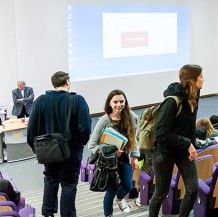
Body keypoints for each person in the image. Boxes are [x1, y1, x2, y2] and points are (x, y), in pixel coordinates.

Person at [26, 71, 91, 217]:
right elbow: (85, 127)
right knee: (68, 185)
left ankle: (48, 213)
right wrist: (81, 143)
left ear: (53, 84)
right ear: (67, 83)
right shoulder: (77, 100)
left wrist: (36, 148)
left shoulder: (40, 101)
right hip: (71, 151)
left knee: (50, 178)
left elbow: (31, 130)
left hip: (47, 151)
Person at [148, 64, 204, 217]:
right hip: (164, 152)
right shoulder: (171, 102)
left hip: (183, 151)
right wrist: (187, 143)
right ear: (192, 81)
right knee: (161, 192)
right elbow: (162, 134)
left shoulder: (195, 95)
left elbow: (189, 125)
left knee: (193, 189)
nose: (203, 79)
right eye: (200, 77)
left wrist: (191, 143)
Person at [88, 89, 139, 217]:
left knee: (127, 185)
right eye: (115, 102)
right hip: (108, 161)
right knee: (111, 190)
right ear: (109, 103)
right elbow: (92, 145)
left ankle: (120, 198)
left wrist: (135, 157)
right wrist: (111, 153)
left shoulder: (132, 117)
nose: (119, 105)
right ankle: (108, 214)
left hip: (124, 158)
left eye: (121, 101)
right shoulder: (104, 120)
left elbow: (134, 139)